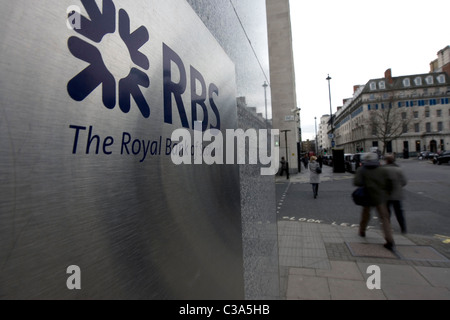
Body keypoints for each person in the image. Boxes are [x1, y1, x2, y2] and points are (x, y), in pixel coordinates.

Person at [354, 152, 395, 250]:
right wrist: (387, 192)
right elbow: (390, 183)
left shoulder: (362, 170)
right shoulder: (382, 170)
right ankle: (389, 239)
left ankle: (362, 231)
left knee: (365, 215)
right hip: (380, 197)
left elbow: (357, 182)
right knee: (384, 218)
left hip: (367, 196)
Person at [384, 154, 407, 234]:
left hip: (386, 195)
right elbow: (404, 182)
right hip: (397, 195)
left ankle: (388, 228)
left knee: (387, 213)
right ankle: (403, 228)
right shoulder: (398, 169)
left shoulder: (383, 170)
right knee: (399, 212)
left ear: (386, 161)